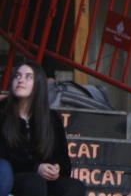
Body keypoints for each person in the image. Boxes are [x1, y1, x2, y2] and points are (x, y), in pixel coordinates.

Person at [0, 61, 85, 196]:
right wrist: (35, 168)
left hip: (44, 180)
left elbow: (63, 160)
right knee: (34, 182)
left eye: (28, 77)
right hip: (13, 179)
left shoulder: (51, 119)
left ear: (39, 84)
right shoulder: (3, 113)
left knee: (74, 187)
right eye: (17, 76)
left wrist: (57, 168)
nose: (21, 80)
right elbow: (4, 157)